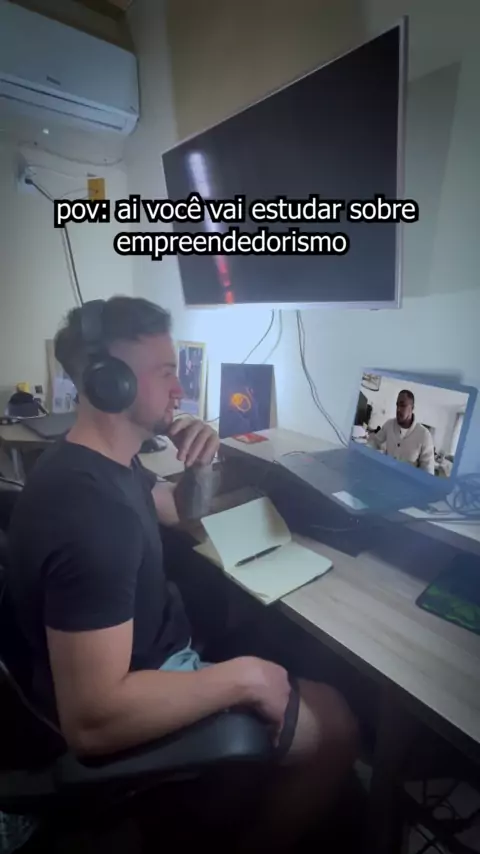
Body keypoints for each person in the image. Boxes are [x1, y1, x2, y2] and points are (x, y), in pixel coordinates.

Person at [7, 297, 358, 851]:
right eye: (167, 372)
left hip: (142, 654)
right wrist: (244, 677)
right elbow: (92, 722)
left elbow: (177, 509)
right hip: (139, 687)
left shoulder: (95, 463)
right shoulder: (92, 517)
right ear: (111, 383)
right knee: (335, 725)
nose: (181, 389)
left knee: (262, 637)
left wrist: (201, 466)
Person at [368, 389, 435, 474]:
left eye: (403, 405)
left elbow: (428, 472)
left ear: (412, 408)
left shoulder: (424, 435)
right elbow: (375, 441)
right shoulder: (389, 424)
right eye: (397, 405)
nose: (398, 409)